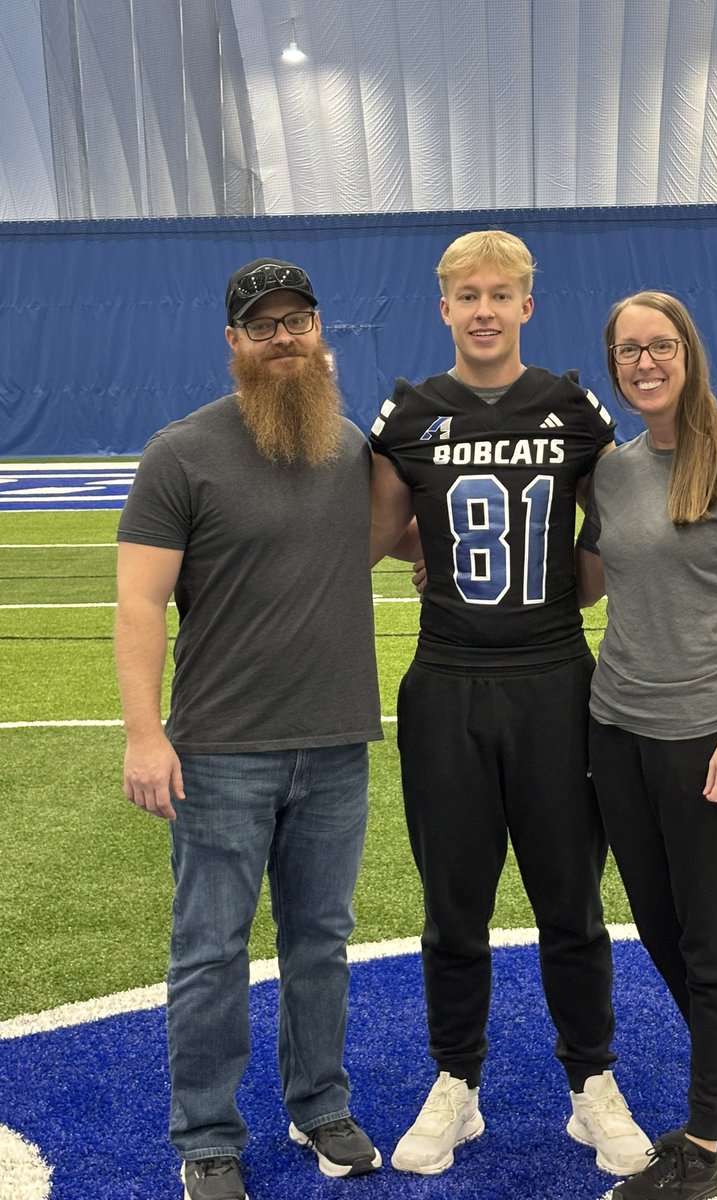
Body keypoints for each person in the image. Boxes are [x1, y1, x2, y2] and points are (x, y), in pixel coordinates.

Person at [369, 230, 651, 1179]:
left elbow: (609, 554)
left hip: (553, 681)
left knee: (570, 898)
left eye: (501, 294)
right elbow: (372, 535)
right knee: (454, 907)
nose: (484, 310)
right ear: (442, 307)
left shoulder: (572, 409)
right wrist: (427, 557)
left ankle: (591, 1084)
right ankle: (457, 1082)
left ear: (527, 305)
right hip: (445, 685)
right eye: (467, 296)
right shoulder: (409, 416)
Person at [114, 258, 384, 1200]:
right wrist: (145, 734)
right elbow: (140, 605)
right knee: (209, 953)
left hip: (337, 746)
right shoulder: (179, 454)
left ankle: (320, 1106)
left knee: (322, 943)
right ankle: (208, 1136)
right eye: (263, 326)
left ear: (321, 333)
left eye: (298, 321)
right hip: (220, 753)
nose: (284, 339)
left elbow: (403, 541)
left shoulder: (349, 446)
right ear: (233, 343)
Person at [576, 291, 717, 1200]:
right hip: (618, 728)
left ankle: (705, 1149)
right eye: (628, 350)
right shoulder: (617, 469)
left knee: (713, 943)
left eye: (659, 345)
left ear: (688, 351)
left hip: (711, 736)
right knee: (665, 931)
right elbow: (592, 584)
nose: (644, 362)